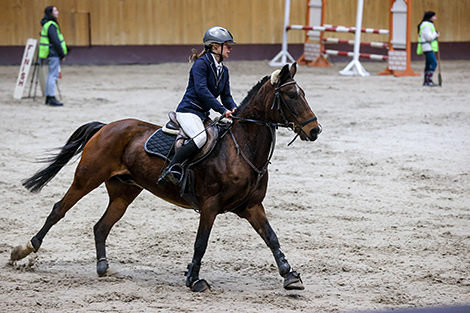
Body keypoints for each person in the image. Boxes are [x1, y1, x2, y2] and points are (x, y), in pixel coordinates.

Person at [158, 26, 238, 186]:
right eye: (227, 45)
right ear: (215, 46)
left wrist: (235, 109)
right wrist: (222, 110)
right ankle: (172, 168)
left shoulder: (224, 70)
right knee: (200, 138)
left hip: (202, 114)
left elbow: (226, 96)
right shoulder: (201, 64)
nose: (230, 48)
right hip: (188, 111)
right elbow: (202, 91)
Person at [39, 6, 67, 106]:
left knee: (51, 75)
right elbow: (56, 41)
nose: (57, 12)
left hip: (49, 53)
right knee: (53, 75)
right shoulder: (51, 25)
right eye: (55, 10)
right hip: (53, 53)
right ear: (50, 13)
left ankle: (48, 97)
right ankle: (51, 97)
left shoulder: (47, 24)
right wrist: (61, 53)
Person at [417, 11, 440, 87]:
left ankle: (426, 81)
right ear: (430, 17)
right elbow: (429, 37)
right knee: (434, 63)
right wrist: (435, 34)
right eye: (434, 16)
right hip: (427, 46)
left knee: (428, 64)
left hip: (427, 46)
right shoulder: (427, 25)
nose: (435, 18)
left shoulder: (427, 24)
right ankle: (429, 79)